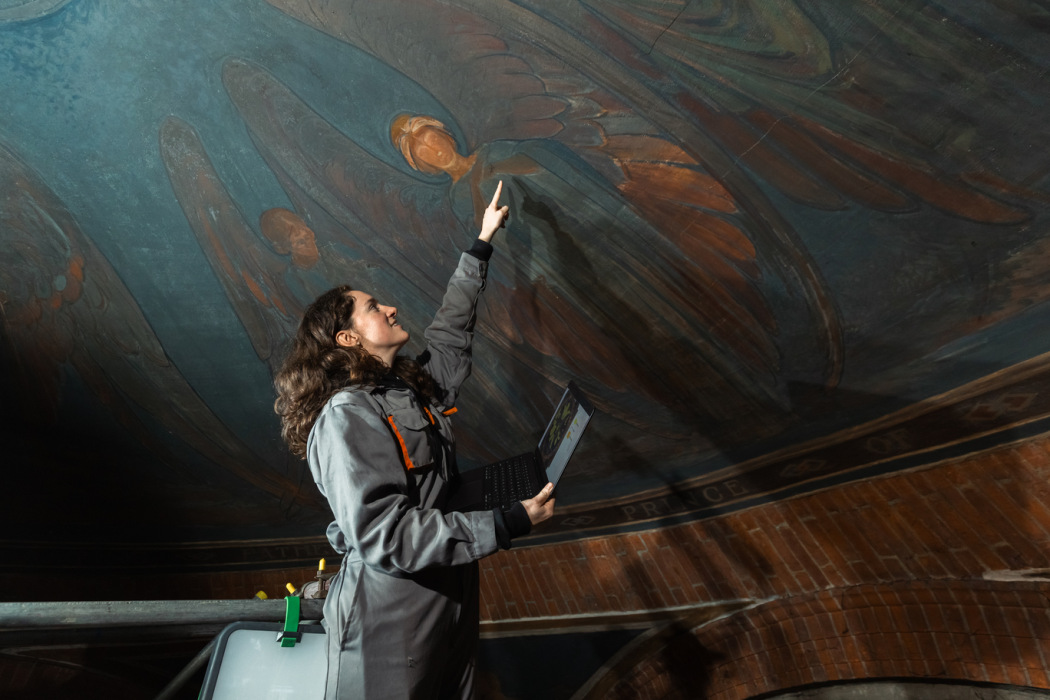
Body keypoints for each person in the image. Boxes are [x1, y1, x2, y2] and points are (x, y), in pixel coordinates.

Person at [273, 182, 556, 700]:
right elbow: (385, 535)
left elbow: (450, 335)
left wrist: (481, 244)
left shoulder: (403, 388)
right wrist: (506, 521)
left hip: (447, 592)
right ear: (348, 338)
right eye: (373, 307)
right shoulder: (346, 415)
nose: (392, 309)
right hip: (390, 613)